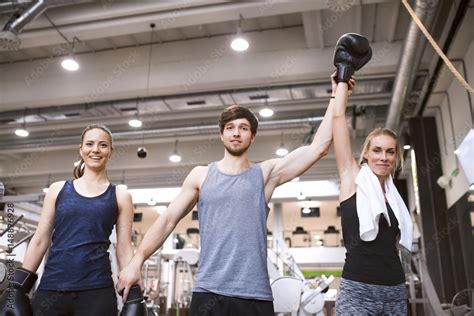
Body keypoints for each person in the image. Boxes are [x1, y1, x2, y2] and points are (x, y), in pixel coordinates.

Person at [117, 74, 355, 316]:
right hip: (209, 292)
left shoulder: (265, 174)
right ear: (221, 135)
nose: (236, 133)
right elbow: (167, 220)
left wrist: (337, 93)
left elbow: (319, 148)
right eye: (230, 128)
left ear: (252, 136)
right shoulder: (201, 176)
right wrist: (137, 261)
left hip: (254, 296)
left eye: (243, 128)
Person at [0, 124, 136, 315]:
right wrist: (17, 286)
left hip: (97, 290)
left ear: (110, 151)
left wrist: (134, 287)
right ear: (81, 150)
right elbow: (40, 239)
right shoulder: (58, 190)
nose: (95, 150)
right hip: (52, 287)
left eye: (102, 145)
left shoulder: (121, 196)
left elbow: (124, 247)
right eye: (90, 144)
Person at [332, 80, 413, 314]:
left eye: (390, 152)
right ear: (366, 153)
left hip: (395, 288)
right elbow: (338, 120)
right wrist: (342, 86)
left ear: (396, 157)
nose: (383, 157)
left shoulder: (393, 198)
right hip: (357, 289)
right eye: (377, 150)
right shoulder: (352, 180)